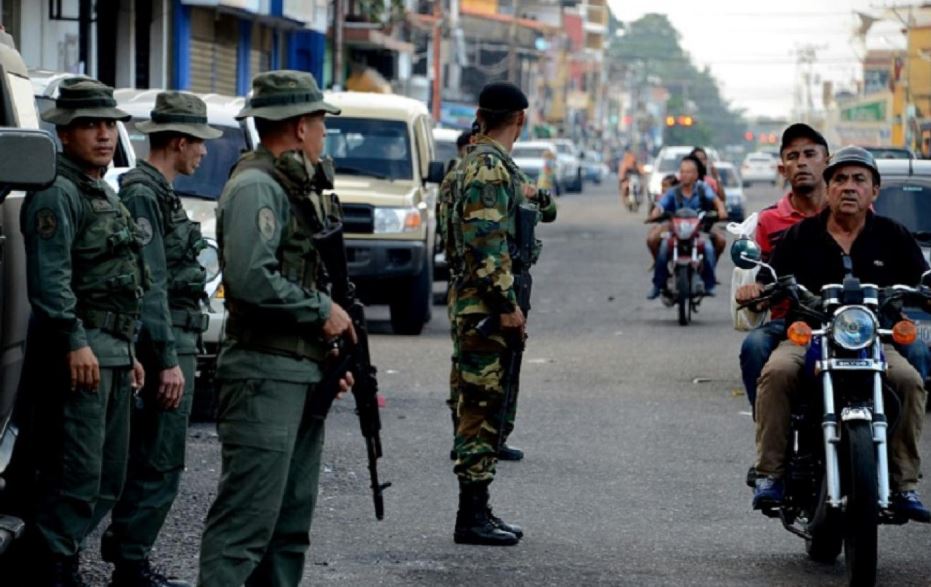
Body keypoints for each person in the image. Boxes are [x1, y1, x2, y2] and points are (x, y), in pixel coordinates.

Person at [197, 70, 355, 586]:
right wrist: (320, 311)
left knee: (289, 527)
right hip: (264, 376)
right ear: (299, 126)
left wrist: (326, 354)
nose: (324, 133)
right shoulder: (256, 187)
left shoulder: (291, 184)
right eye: (319, 122)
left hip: (295, 372)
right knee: (246, 525)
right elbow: (249, 278)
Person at [743, 146, 931, 522]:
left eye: (859, 180)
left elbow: (921, 281)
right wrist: (755, 290)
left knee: (910, 380)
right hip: (810, 335)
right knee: (777, 373)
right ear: (827, 189)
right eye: (840, 179)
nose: (849, 187)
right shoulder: (800, 235)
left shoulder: (893, 235)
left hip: (874, 339)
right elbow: (767, 280)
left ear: (874, 191)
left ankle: (903, 483)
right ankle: (770, 474)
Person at [19, 77, 146, 585]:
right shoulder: (57, 194)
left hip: (112, 353)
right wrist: (76, 342)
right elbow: (50, 283)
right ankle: (50, 565)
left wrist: (130, 349)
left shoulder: (101, 192)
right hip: (81, 354)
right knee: (76, 475)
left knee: (108, 479)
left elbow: (119, 279)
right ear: (65, 134)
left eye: (109, 124)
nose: (104, 135)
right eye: (89, 125)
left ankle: (51, 553)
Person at [101, 91, 222, 587]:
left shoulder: (158, 191)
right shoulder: (144, 193)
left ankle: (131, 554)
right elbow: (149, 284)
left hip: (175, 337)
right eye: (199, 143)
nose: (204, 153)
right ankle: (129, 560)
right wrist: (167, 358)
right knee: (158, 457)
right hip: (164, 342)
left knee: (158, 456)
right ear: (177, 141)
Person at [449, 81, 554, 546]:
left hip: (477, 304)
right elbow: (486, 246)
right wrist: (508, 307)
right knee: (480, 409)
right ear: (521, 119)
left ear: (480, 113)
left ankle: (478, 508)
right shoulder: (490, 168)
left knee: (482, 406)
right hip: (486, 309)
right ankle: (471, 516)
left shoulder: (482, 163)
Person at [737, 123, 829, 411]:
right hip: (791, 321)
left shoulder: (850, 211)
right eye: (792, 156)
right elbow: (764, 277)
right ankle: (768, 428)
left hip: (849, 319)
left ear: (827, 161)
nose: (801, 162)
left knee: (910, 358)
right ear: (783, 169)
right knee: (754, 346)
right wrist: (754, 292)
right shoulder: (770, 220)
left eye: (810, 154)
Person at [646, 154, 726, 299]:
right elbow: (661, 205)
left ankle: (709, 283)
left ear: (696, 174)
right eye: (682, 172)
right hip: (675, 228)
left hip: (699, 227)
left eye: (689, 172)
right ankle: (658, 284)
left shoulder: (703, 188)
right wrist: (655, 213)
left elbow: (716, 200)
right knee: (664, 247)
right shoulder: (673, 191)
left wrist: (721, 211)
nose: (685, 175)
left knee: (708, 247)